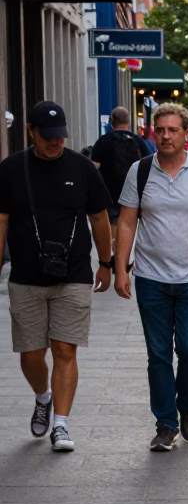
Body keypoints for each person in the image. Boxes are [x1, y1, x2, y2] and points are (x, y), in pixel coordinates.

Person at [113, 102, 188, 452]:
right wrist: (120, 267)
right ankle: (166, 423)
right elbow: (126, 222)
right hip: (151, 277)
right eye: (160, 130)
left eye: (173, 130)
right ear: (154, 132)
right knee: (158, 353)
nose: (166, 136)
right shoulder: (139, 171)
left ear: (186, 133)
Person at [0, 100, 113, 452]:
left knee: (65, 349)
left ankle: (61, 426)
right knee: (31, 353)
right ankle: (43, 396)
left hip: (74, 273)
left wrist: (107, 264)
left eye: (60, 136)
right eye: (47, 136)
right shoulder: (11, 170)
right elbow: (1, 221)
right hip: (26, 276)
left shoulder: (82, 168)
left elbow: (99, 218)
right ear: (31, 131)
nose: (55, 142)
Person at [90, 106, 148, 244]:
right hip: (133, 190)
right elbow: (147, 165)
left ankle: (115, 252)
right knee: (129, 220)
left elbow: (94, 167)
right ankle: (124, 253)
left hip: (110, 191)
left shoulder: (103, 141)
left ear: (112, 122)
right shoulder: (138, 141)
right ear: (128, 121)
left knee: (114, 221)